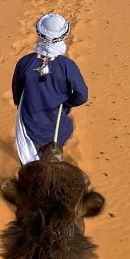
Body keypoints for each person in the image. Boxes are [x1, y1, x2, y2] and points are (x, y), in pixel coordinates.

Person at [11, 12, 88, 164]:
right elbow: (81, 95)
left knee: (28, 158)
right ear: (63, 36)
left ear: (39, 33)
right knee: (53, 153)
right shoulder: (67, 66)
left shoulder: (25, 62)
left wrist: (23, 104)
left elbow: (17, 92)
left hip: (29, 121)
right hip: (56, 122)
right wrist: (65, 103)